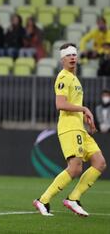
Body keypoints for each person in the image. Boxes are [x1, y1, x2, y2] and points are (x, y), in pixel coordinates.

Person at [33, 43, 107, 217]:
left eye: (74, 54)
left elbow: (73, 104)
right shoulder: (63, 77)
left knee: (100, 162)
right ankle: (43, 200)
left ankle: (74, 198)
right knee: (74, 168)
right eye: (68, 55)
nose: (73, 57)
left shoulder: (75, 78)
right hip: (69, 128)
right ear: (62, 59)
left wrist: (85, 119)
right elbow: (60, 104)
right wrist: (85, 109)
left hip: (79, 127)